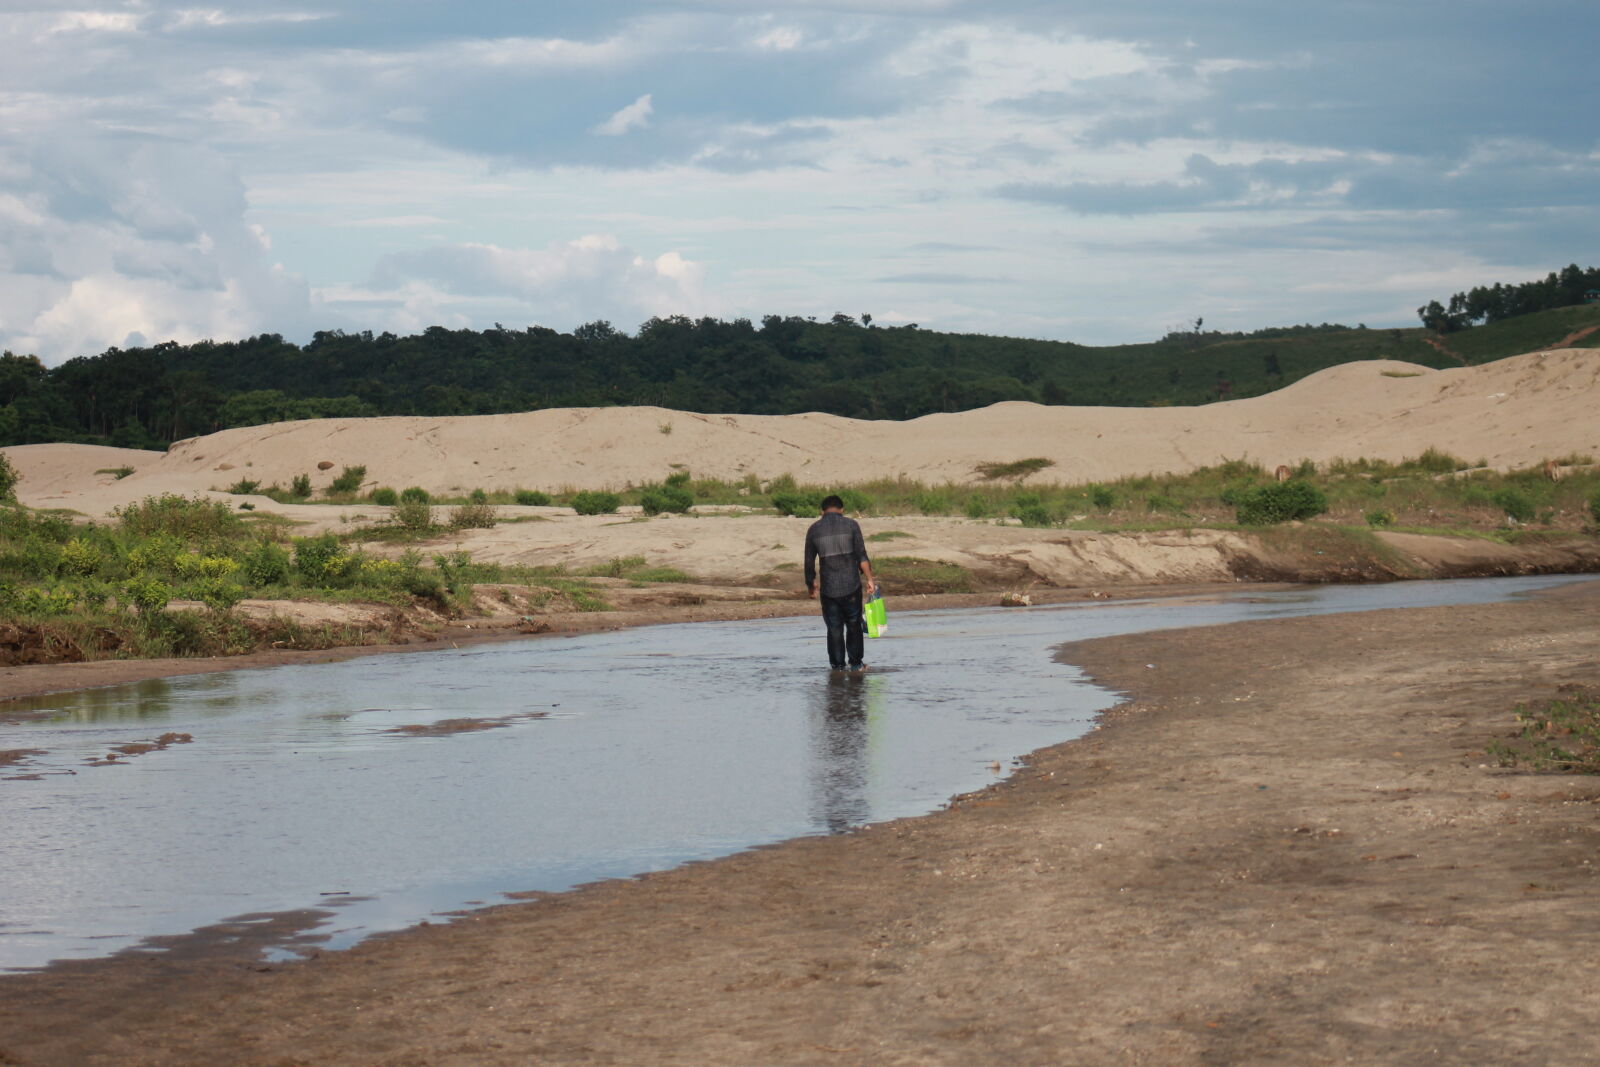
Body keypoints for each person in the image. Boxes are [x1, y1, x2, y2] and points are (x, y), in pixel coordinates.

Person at [803, 494, 877, 671]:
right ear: (842, 510)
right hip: (851, 585)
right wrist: (870, 580)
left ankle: (837, 667)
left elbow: (808, 562)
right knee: (854, 625)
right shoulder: (852, 525)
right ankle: (856, 664)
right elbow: (861, 556)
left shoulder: (814, 529)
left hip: (828, 588)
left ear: (822, 511)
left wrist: (810, 585)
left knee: (834, 628)